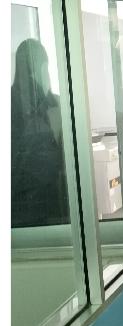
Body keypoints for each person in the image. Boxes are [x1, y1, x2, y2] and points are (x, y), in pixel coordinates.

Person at [11, 38, 70, 228]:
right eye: (44, 67)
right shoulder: (21, 106)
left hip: (29, 206)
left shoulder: (49, 103)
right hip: (36, 205)